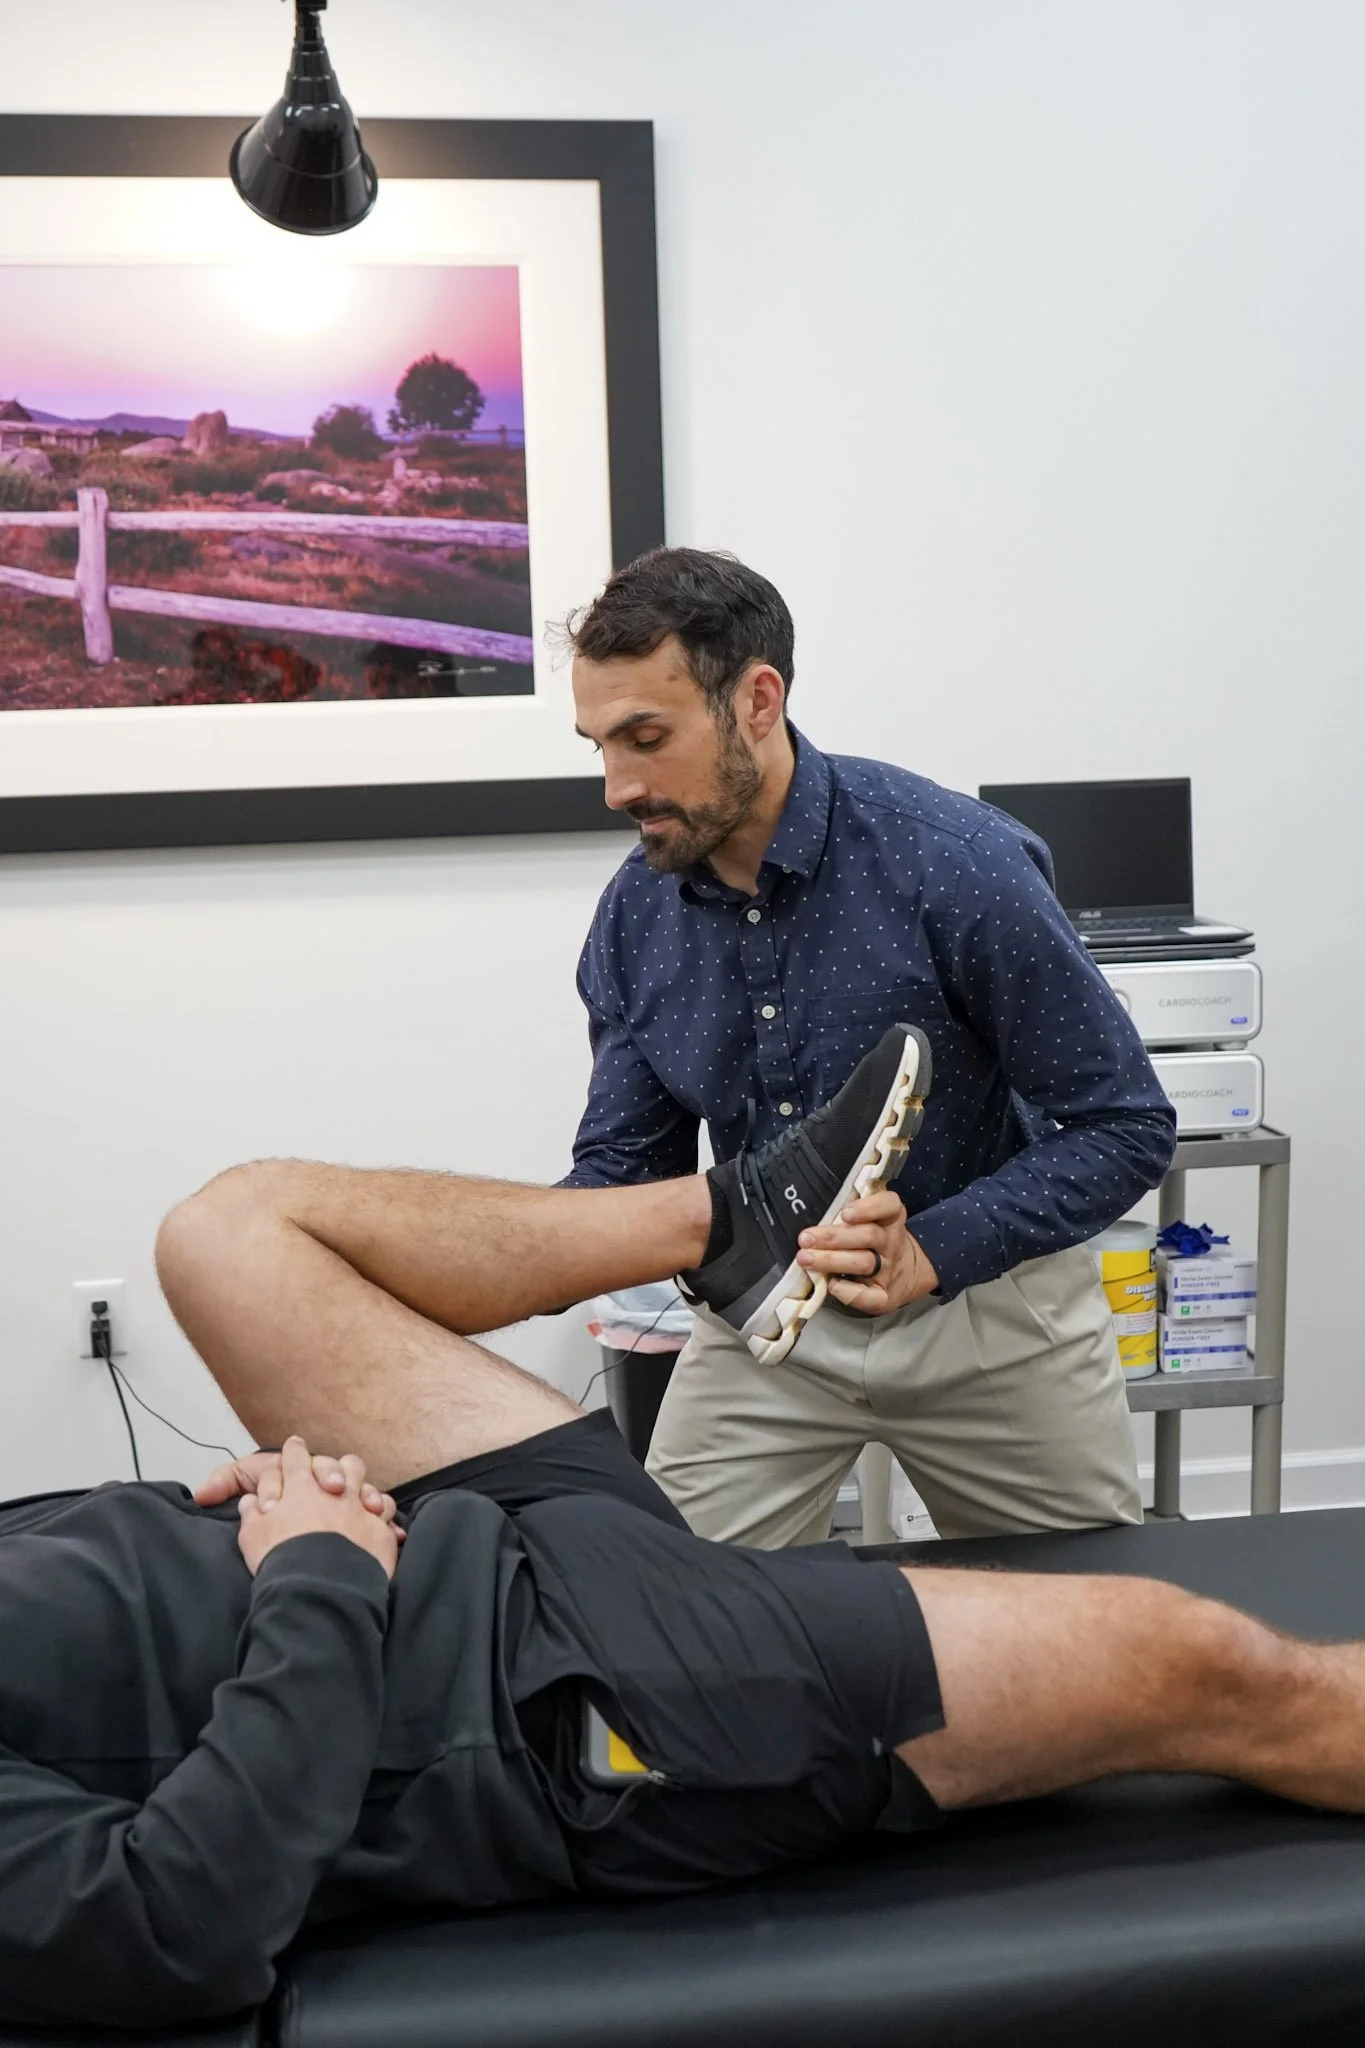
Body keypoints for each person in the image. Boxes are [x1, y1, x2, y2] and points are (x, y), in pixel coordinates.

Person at [0, 1030, 1361, 2032]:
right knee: (1200, 1667)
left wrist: (234, 1513)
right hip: (547, 1702)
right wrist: (311, 1574)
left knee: (230, 1234)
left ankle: (738, 1215)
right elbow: (178, 1925)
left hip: (455, 1535)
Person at [564, 546, 1178, 1545]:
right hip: (761, 1333)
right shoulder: (637, 916)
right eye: (598, 744)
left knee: (1083, 1650)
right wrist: (471, 1259)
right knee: (676, 1630)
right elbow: (623, 1171)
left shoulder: (958, 861)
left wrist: (933, 1249)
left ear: (756, 702)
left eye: (645, 736)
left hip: (991, 1314)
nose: (616, 784)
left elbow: (1123, 1125)